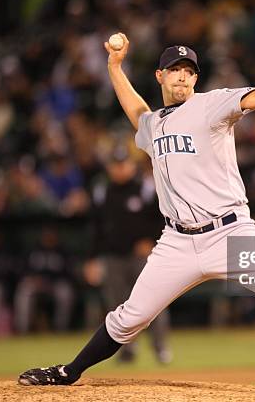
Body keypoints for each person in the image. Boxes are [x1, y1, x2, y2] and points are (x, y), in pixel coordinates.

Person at [18, 34, 255, 397]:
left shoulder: (212, 104)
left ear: (195, 78)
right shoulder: (153, 126)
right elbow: (136, 110)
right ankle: (68, 373)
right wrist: (115, 66)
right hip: (177, 242)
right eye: (175, 69)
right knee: (129, 318)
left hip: (230, 233)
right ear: (160, 75)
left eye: (189, 70)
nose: (182, 75)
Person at [84, 146, 171, 364]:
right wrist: (92, 258)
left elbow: (164, 217)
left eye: (124, 164)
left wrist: (151, 240)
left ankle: (160, 348)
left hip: (142, 257)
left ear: (131, 165)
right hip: (112, 257)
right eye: (116, 165)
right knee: (117, 306)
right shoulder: (102, 191)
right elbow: (95, 228)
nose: (120, 169)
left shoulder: (146, 189)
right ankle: (126, 350)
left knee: (153, 303)